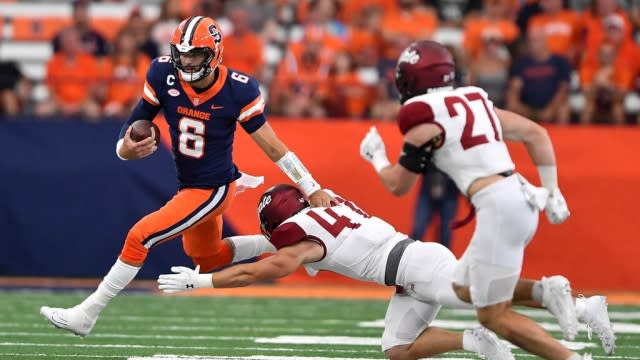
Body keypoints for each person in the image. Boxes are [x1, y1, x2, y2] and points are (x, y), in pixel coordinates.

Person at [40, 16, 333, 337]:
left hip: (213, 189)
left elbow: (274, 147)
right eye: (181, 54)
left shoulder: (238, 89)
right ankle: (294, 243)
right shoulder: (162, 72)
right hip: (192, 183)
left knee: (140, 237)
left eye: (195, 55)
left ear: (214, 54)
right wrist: (126, 149)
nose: (186, 62)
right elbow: (134, 124)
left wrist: (310, 185)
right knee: (208, 257)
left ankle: (87, 313)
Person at [358, 40, 614, 358]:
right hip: (522, 198)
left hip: (498, 206)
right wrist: (552, 190)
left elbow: (398, 186)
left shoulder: (422, 118)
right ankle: (560, 297)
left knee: (493, 315)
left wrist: (377, 158)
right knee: (464, 289)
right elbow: (536, 134)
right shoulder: (475, 101)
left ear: (410, 80)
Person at [157, 184, 614, 360]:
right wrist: (212, 246)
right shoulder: (325, 206)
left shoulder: (304, 240)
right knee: (397, 348)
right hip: (407, 273)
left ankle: (572, 300)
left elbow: (263, 268)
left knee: (485, 297)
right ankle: (472, 340)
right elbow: (254, 247)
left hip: (418, 265)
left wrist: (202, 281)